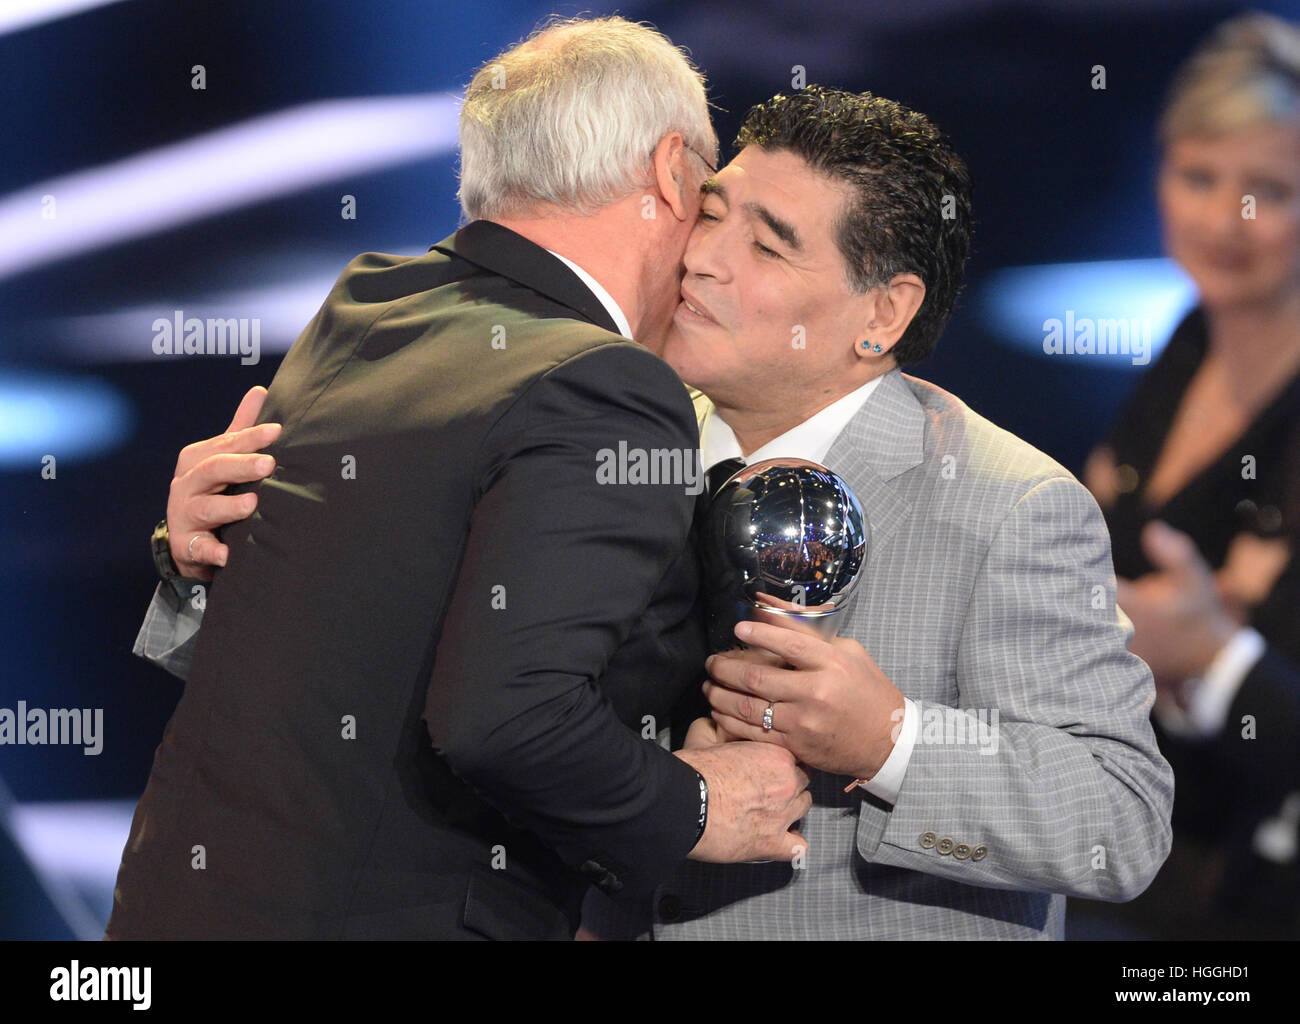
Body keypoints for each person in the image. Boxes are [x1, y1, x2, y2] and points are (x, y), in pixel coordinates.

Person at [156, 85, 1175, 940]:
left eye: (768, 245)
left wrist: (892, 739)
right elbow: (430, 688)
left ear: (883, 314)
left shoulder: (1013, 503)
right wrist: (226, 564)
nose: (704, 257)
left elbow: (1121, 821)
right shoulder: (591, 430)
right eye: (713, 210)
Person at [107, 16, 812, 941]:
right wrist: (693, 807)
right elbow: (505, 718)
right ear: (670, 171)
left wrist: (192, 567)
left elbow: (348, 630)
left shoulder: (369, 304)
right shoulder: (603, 383)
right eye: (711, 201)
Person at [1076, 11, 1300, 938]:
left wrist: (1215, 661)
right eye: (1198, 176)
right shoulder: (1189, 339)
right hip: (1131, 859)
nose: (1224, 220)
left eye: (1270, 191)